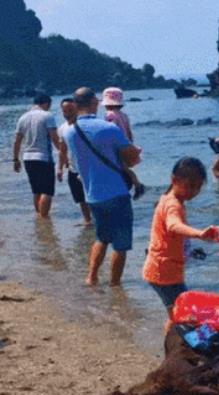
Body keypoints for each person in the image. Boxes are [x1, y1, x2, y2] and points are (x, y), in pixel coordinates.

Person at [60, 87, 141, 286]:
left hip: (92, 195)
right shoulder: (108, 128)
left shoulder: (70, 132)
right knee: (120, 245)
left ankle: (91, 277)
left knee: (101, 237)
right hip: (116, 192)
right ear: (95, 102)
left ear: (76, 105)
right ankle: (115, 285)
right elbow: (131, 159)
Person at [142, 157, 219, 334]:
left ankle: (173, 350)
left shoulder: (169, 199)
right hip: (163, 273)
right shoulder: (173, 205)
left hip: (166, 270)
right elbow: (173, 225)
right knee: (180, 315)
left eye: (198, 187)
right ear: (174, 180)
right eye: (190, 186)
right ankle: (174, 352)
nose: (193, 192)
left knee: (178, 314)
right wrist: (199, 233)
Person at [12, 94, 60, 218]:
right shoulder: (47, 116)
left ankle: (39, 217)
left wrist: (15, 159)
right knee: (47, 191)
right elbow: (55, 138)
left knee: (36, 190)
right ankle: (44, 220)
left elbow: (17, 141)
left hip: (28, 158)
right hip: (43, 157)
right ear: (46, 103)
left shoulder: (23, 117)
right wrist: (64, 153)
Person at [101, 87, 144, 199]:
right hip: (126, 144)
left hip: (116, 146)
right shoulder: (124, 115)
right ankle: (136, 184)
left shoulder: (109, 115)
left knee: (119, 167)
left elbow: (110, 130)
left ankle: (137, 185)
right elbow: (129, 132)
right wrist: (130, 144)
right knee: (125, 167)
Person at [57, 98, 91, 225]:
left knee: (93, 196)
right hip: (73, 168)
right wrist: (59, 168)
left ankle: (98, 220)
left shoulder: (85, 126)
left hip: (89, 169)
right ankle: (88, 221)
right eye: (64, 110)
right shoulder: (62, 128)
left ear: (77, 109)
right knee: (80, 199)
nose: (67, 113)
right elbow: (62, 150)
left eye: (70, 110)